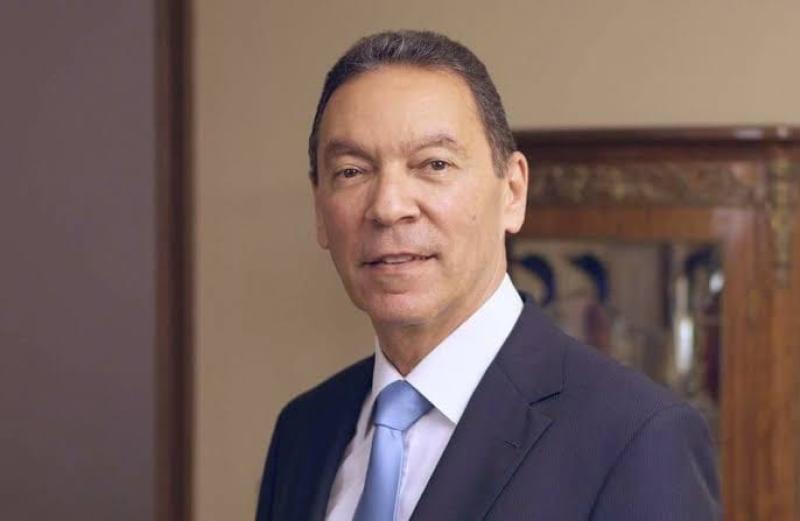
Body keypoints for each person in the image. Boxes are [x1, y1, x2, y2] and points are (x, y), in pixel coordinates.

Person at [256, 30, 720, 521]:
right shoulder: (304, 431)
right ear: (320, 209)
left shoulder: (636, 436)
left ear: (513, 192)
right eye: (352, 171)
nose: (388, 207)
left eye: (434, 164)